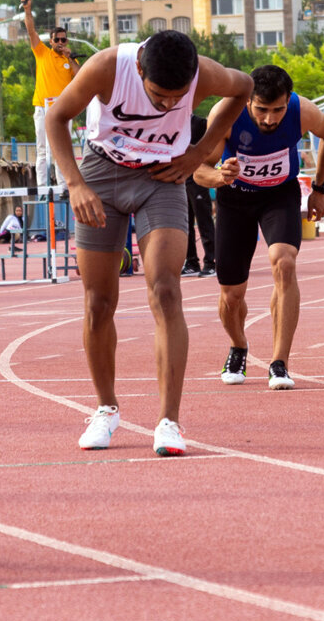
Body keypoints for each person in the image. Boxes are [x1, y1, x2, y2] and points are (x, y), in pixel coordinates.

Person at [44, 29, 251, 456]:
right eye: (159, 95)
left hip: (161, 178)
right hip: (102, 172)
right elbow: (55, 117)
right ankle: (105, 409)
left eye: (178, 97)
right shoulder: (107, 67)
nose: (168, 105)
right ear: (139, 68)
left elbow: (243, 87)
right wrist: (75, 185)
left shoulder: (203, 74)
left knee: (166, 289)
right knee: (98, 300)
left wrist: (200, 151)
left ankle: (168, 421)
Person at [192, 64, 324, 389]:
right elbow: (197, 168)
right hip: (235, 198)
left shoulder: (302, 110)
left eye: (278, 110)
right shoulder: (225, 114)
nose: (270, 119)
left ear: (289, 100)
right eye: (262, 110)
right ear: (247, 101)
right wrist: (220, 176)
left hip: (279, 195)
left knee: (284, 263)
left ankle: (279, 362)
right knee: (232, 295)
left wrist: (319, 188)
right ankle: (239, 345)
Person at [23, 0, 79, 192]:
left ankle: (63, 187)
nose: (61, 43)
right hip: (43, 107)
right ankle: (42, 188)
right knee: (43, 149)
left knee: (62, 150)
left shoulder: (69, 59)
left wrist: (71, 57)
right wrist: (28, 9)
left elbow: (80, 77)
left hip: (63, 110)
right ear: (51, 41)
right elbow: (31, 31)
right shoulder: (42, 53)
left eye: (64, 40)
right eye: (58, 40)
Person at [182, 114, 216, 277]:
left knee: (204, 220)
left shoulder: (201, 123)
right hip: (179, 178)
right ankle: (191, 262)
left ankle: (211, 262)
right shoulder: (171, 122)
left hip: (198, 178)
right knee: (184, 222)